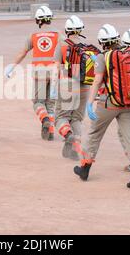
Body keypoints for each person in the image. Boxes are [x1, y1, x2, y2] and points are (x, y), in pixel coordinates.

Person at [73, 28, 130, 191]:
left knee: (95, 134)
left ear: (102, 42)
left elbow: (97, 81)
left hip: (108, 103)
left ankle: (85, 169)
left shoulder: (103, 57)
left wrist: (90, 103)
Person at [5, 6, 63, 141]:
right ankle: (50, 132)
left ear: (38, 21)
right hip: (55, 74)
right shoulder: (59, 35)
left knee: (38, 102)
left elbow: (23, 53)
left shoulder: (34, 36)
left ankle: (45, 120)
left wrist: (12, 66)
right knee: (50, 103)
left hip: (40, 74)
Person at [53, 15, 90, 160]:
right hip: (85, 86)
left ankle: (68, 135)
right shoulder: (87, 45)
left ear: (67, 30)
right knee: (77, 118)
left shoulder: (62, 45)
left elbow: (56, 66)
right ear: (81, 29)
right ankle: (76, 148)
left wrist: (54, 86)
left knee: (61, 117)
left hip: (67, 85)